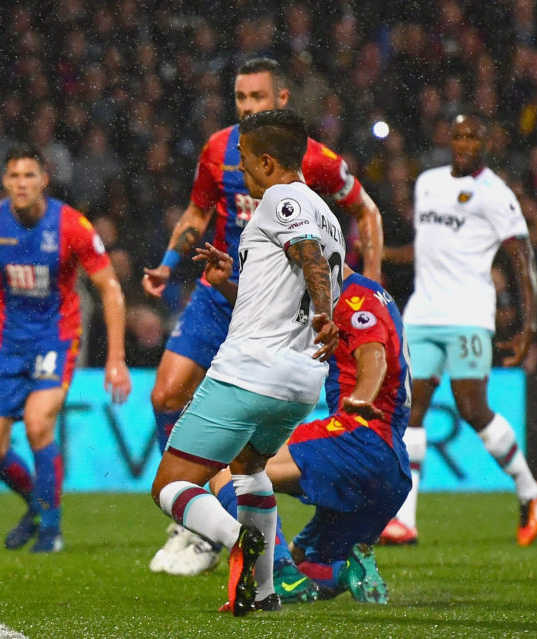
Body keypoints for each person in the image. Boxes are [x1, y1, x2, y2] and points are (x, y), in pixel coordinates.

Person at [142, 56, 385, 574]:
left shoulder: (303, 173)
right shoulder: (219, 149)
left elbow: (330, 238)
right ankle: (266, 578)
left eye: (256, 98)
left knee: (177, 482)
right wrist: (180, 266)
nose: (246, 109)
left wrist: (357, 297)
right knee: (199, 423)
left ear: (280, 101)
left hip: (268, 330)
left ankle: (219, 528)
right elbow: (200, 211)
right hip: (243, 293)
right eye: (240, 99)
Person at [150, 109, 345, 616]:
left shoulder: (282, 199)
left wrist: (326, 316)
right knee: (249, 469)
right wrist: (227, 282)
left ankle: (236, 538)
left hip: (251, 369)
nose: (238, 170)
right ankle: (261, 592)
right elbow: (287, 287)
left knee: (170, 484)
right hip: (298, 382)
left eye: (243, 160)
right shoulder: (328, 216)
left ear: (267, 159)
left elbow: (308, 257)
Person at [196, 241, 411, 605]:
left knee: (227, 465)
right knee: (306, 566)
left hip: (357, 441)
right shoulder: (346, 294)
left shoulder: (356, 300)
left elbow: (373, 354)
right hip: (391, 472)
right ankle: (344, 567)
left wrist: (363, 393)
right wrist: (224, 286)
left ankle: (276, 571)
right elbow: (272, 317)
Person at [0, 143, 131, 553]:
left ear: (44, 180)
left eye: (29, 175)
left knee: (37, 424)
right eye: (14, 176)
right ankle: (38, 504)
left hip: (56, 338)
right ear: (4, 181)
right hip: (5, 345)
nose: (21, 183)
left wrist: (116, 358)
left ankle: (50, 530)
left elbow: (110, 288)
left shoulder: (71, 225)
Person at [381, 113, 537, 547]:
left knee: (472, 408)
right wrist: (379, 255)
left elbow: (522, 257)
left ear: (486, 140)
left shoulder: (496, 194)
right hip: (422, 314)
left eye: (473, 136)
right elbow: (428, 249)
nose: (464, 143)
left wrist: (530, 324)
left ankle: (531, 491)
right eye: (457, 135)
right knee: (411, 410)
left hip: (470, 313)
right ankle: (405, 520)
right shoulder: (428, 182)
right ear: (447, 137)